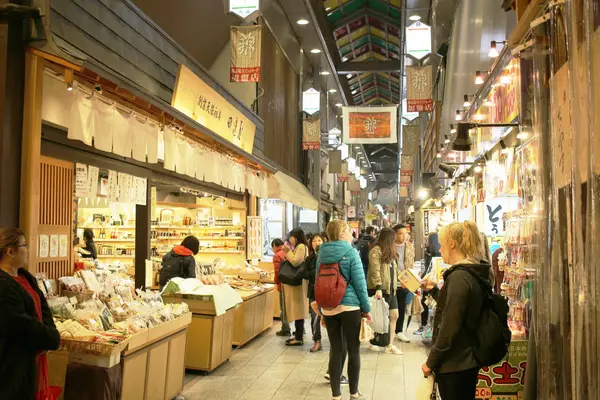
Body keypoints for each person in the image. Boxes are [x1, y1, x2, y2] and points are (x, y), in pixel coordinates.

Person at [420, 221, 492, 400]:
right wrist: (436, 291)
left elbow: (450, 326)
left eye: (443, 244)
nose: (441, 248)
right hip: (464, 360)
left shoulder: (460, 276)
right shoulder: (470, 271)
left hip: (456, 363)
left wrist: (431, 361)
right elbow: (458, 309)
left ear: (452, 244)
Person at [0, 228, 60, 399]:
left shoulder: (26, 277)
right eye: (24, 245)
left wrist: (50, 331)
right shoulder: (3, 285)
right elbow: (18, 324)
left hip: (32, 361)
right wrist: (50, 337)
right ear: (10, 251)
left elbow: (44, 307)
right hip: (12, 365)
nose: (28, 249)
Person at [317, 220, 371, 400]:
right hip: (350, 307)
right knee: (353, 350)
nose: (351, 234)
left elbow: (318, 282)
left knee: (336, 349)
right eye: (348, 231)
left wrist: (322, 309)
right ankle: (354, 392)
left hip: (329, 307)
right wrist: (366, 308)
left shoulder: (321, 253)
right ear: (341, 234)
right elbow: (360, 284)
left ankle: (335, 394)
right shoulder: (351, 252)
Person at [367, 227, 402, 355]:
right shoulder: (376, 251)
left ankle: (390, 344)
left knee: (394, 315)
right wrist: (378, 287)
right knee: (377, 316)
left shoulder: (392, 252)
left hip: (391, 289)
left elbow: (394, 271)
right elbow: (374, 270)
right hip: (380, 289)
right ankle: (372, 341)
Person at [282, 228, 309, 346]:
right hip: (297, 283)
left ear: (296, 237)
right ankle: (297, 335)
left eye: (291, 237)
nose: (290, 239)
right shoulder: (300, 247)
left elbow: (296, 262)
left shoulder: (301, 247)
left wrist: (287, 252)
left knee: (298, 309)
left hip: (298, 283)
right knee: (297, 309)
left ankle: (298, 337)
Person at [415, 231, 441, 335]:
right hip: (434, 281)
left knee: (427, 303)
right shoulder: (436, 251)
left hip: (430, 282)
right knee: (430, 303)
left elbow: (429, 268)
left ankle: (425, 326)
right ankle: (429, 327)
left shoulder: (431, 252)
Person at [392, 224, 414, 342]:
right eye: (401, 233)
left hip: (405, 282)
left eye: (405, 233)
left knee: (402, 307)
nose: (404, 236)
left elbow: (410, 263)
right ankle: (387, 330)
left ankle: (399, 331)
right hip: (392, 282)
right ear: (395, 234)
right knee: (391, 309)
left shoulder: (409, 246)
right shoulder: (390, 247)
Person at [306, 233, 325, 352]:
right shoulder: (309, 259)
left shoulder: (329, 256)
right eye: (314, 241)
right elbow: (304, 274)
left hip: (328, 290)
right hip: (314, 290)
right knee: (314, 316)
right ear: (311, 244)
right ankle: (317, 340)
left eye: (319, 240)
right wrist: (315, 271)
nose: (317, 242)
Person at [272, 239, 291, 337]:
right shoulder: (287, 252)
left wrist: (276, 283)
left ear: (274, 245)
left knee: (283, 307)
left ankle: (285, 328)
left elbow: (277, 272)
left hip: (282, 284)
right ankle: (301, 329)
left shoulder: (277, 255)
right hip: (290, 283)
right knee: (289, 307)